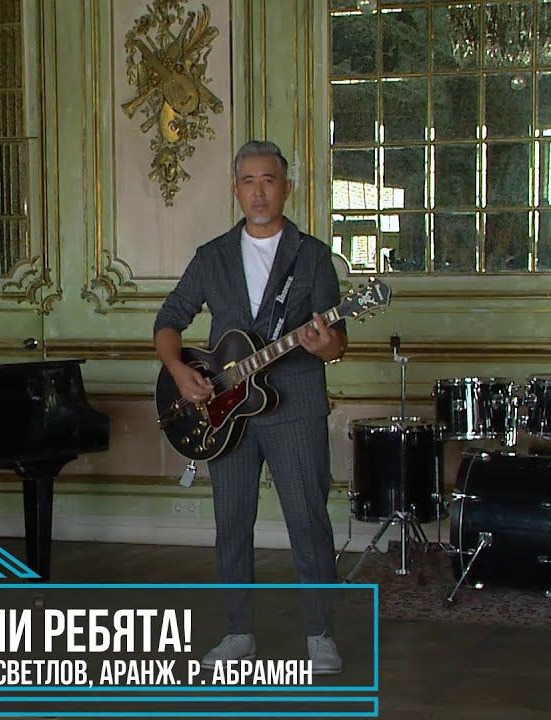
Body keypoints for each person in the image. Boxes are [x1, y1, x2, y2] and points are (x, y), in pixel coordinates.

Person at [153, 141, 346, 674]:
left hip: (295, 407)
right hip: (223, 413)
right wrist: (179, 372)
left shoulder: (313, 256)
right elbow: (169, 320)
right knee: (231, 523)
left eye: (269, 180)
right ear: (236, 190)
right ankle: (238, 633)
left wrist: (323, 345)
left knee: (308, 521)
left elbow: (338, 345)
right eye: (248, 181)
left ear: (286, 188)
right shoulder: (212, 256)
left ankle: (320, 634)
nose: (259, 192)